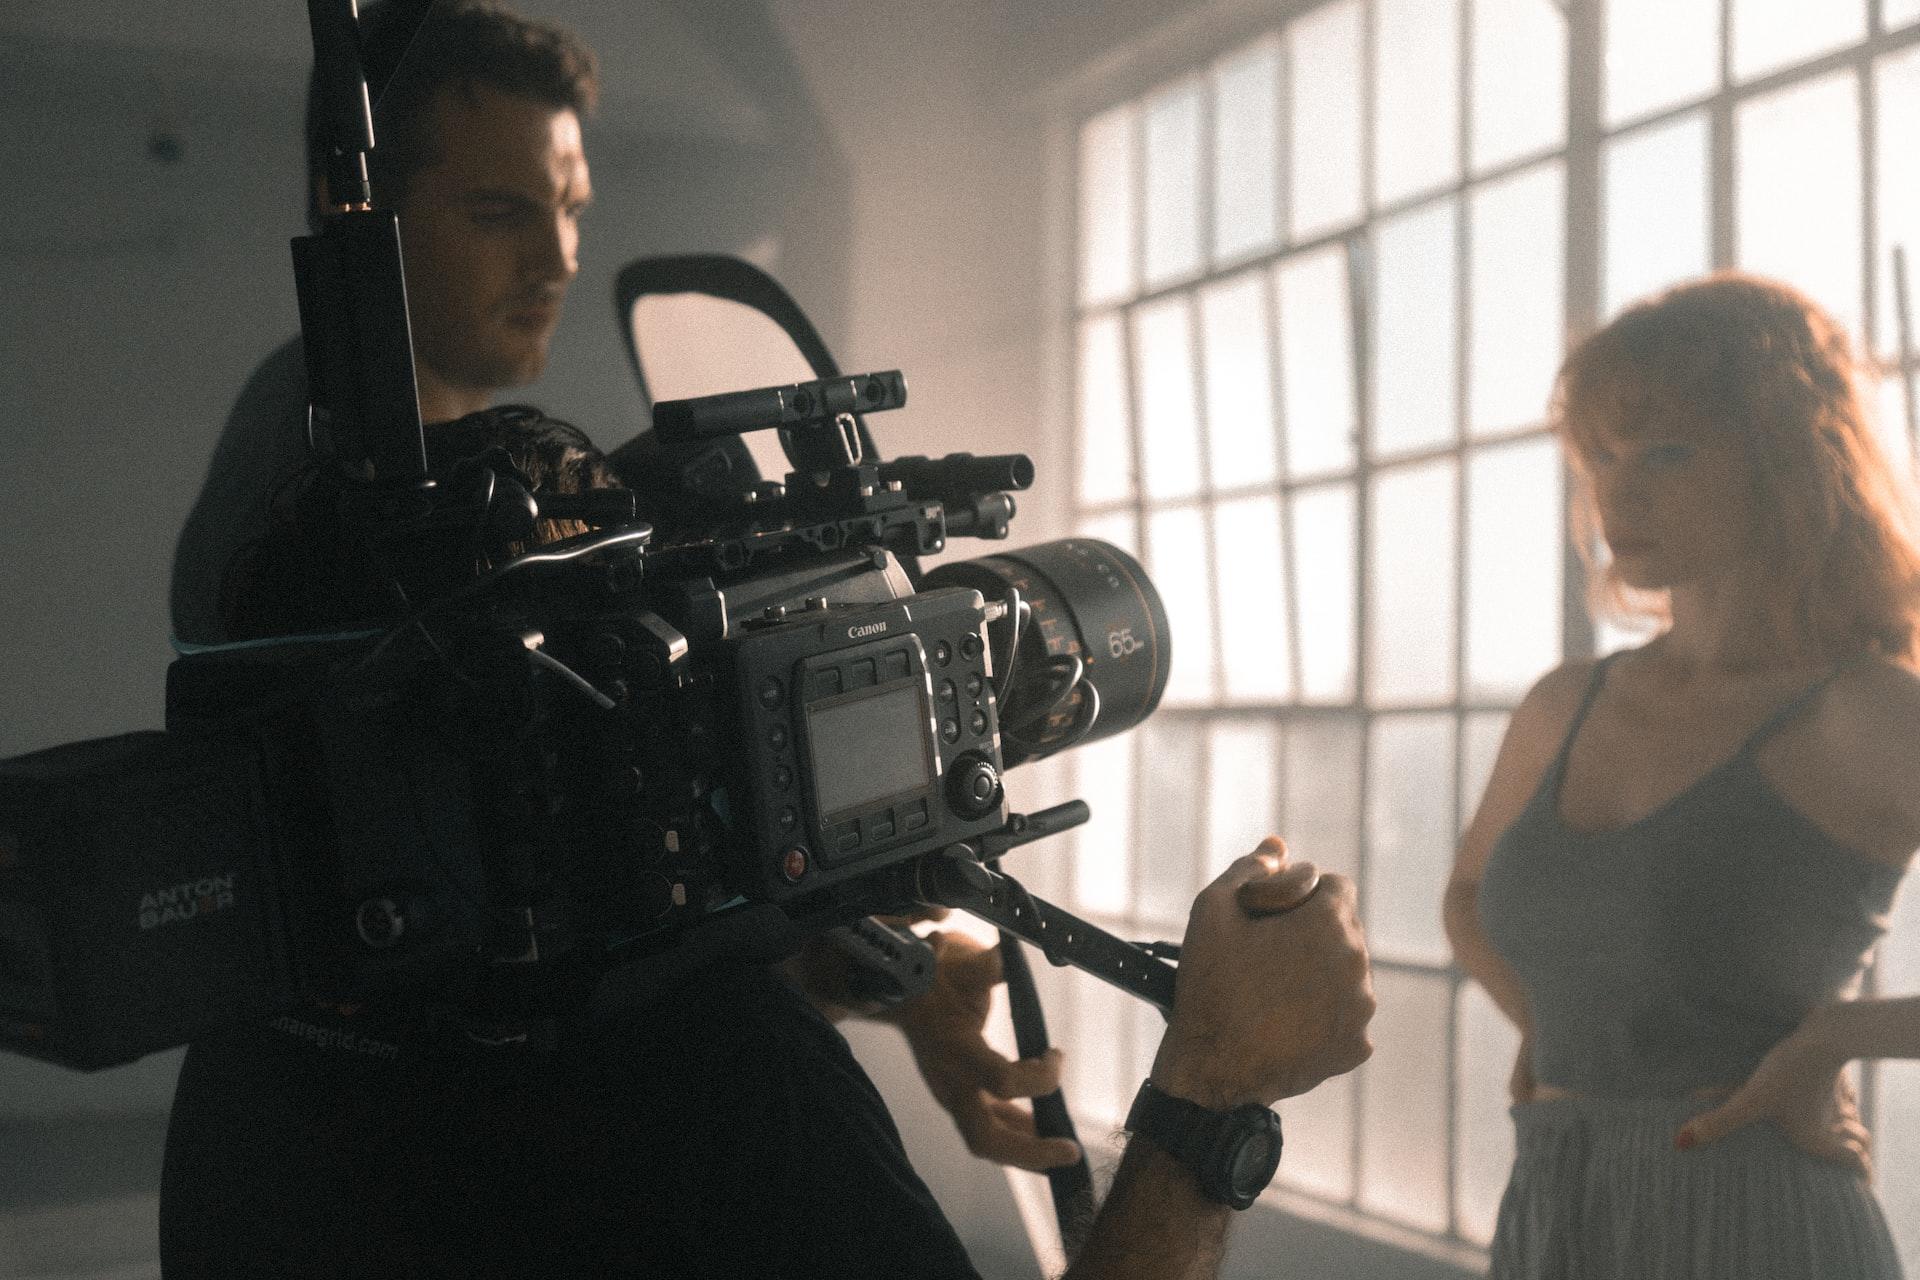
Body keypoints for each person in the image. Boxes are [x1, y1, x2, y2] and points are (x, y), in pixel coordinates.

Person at [162, 5, 1379, 1275]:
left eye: (571, 207)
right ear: (353, 212)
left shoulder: (326, 518)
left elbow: (601, 857)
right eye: (495, 212)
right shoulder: (366, 544)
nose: (557, 257)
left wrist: (873, 966)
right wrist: (1217, 1089)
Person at [1444, 272, 1920, 1279]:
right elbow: (1466, 895)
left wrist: (1836, 1036)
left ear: (1786, 460)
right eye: (1603, 456)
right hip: (1552, 1209)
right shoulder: (1563, 702)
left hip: (1754, 1218)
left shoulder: (1864, 710)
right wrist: (1552, 1022)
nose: (1620, 492)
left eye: (1668, 449)